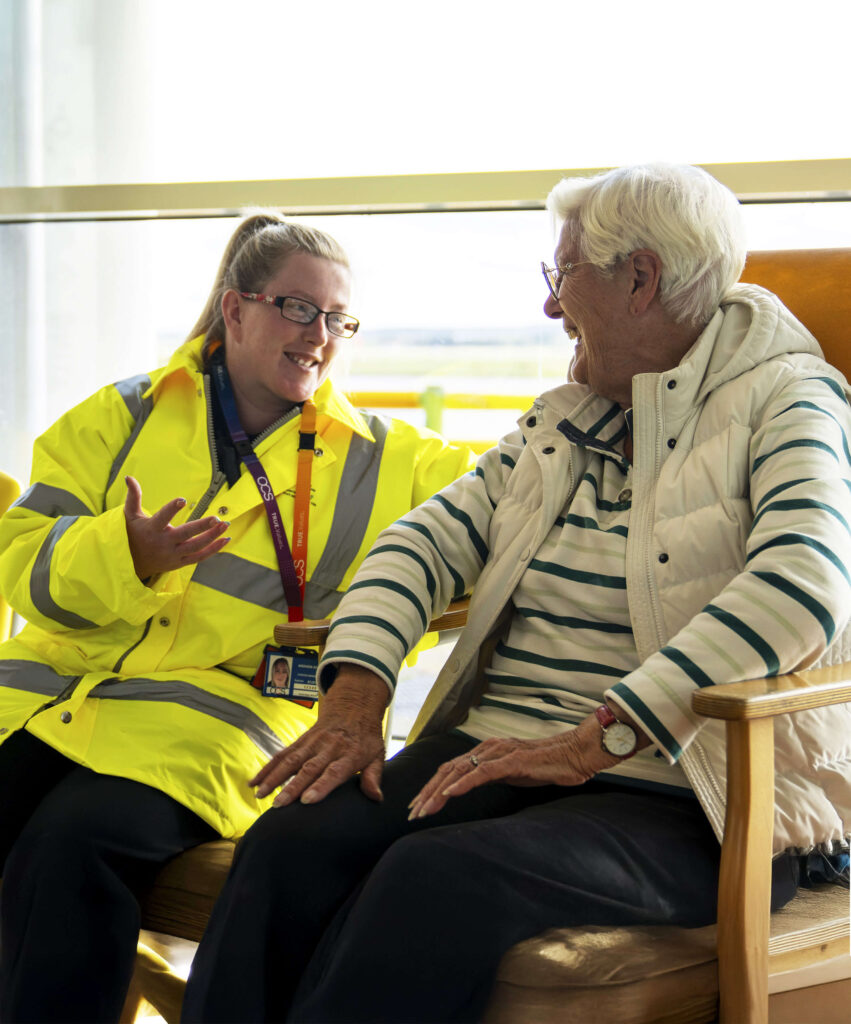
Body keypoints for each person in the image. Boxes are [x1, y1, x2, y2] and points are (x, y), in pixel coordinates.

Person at [181, 165, 851, 1024]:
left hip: (691, 792)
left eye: (561, 274)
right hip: (509, 752)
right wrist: (356, 695)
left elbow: (803, 582)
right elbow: (418, 543)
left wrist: (598, 737)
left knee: (432, 879)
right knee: (292, 843)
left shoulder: (788, 401)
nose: (548, 306)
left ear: (639, 280)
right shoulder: (568, 416)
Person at [0, 211, 474, 1022]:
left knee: (71, 846)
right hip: (44, 704)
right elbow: (23, 565)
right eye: (298, 308)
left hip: (218, 728)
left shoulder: (390, 460)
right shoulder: (120, 416)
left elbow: (522, 483)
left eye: (338, 319)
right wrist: (126, 555)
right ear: (236, 310)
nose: (319, 335)